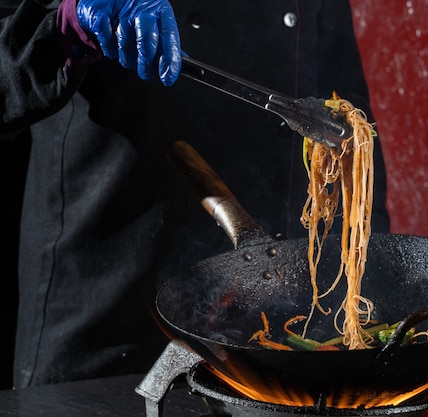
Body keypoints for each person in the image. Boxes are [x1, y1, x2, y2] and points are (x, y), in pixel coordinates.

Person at [1, 0, 389, 388]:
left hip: (269, 303)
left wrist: (370, 270)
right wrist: (65, 22)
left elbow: (341, 102)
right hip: (108, 303)